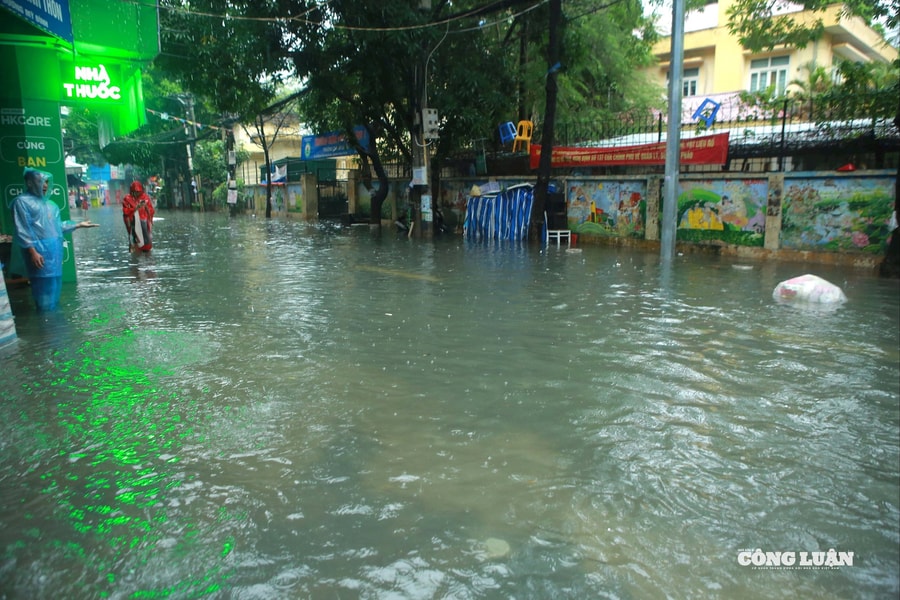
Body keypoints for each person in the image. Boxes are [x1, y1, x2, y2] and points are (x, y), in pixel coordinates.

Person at [12, 168, 97, 312]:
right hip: (39, 254)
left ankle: (53, 327)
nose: (44, 185)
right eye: (40, 181)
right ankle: (46, 327)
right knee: (43, 295)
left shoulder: (51, 205)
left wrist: (78, 225)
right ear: (29, 183)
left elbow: (56, 227)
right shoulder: (21, 202)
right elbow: (23, 230)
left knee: (54, 295)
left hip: (55, 255)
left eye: (46, 182)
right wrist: (32, 252)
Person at [122, 181, 154, 252]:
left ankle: (146, 249)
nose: (136, 194)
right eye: (134, 192)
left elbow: (151, 210)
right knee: (135, 237)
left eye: (138, 192)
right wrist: (135, 208)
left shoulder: (145, 197)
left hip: (144, 222)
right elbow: (126, 211)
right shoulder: (127, 199)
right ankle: (136, 249)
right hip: (133, 222)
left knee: (146, 237)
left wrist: (146, 209)